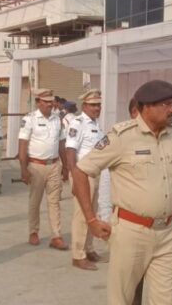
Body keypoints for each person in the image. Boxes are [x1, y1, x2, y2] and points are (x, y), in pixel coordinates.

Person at [73, 80, 172, 305]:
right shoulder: (121, 136)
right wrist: (91, 219)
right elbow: (81, 171)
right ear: (146, 107)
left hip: (168, 232)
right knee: (122, 300)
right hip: (131, 233)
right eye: (166, 104)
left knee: (167, 301)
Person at [18, 88, 70, 249]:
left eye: (51, 101)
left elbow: (61, 144)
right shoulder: (29, 119)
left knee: (54, 202)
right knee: (35, 201)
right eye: (46, 101)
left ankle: (56, 235)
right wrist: (23, 170)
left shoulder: (57, 120)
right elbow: (22, 146)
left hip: (54, 165)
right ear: (38, 102)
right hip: (36, 166)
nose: (49, 104)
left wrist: (66, 166)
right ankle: (33, 231)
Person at [65, 90, 105, 271]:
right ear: (84, 106)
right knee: (82, 215)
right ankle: (78, 255)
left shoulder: (96, 124)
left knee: (92, 213)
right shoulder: (78, 123)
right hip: (82, 175)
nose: (97, 108)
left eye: (98, 105)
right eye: (93, 105)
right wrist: (73, 176)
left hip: (95, 174)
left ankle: (89, 248)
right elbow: (70, 151)